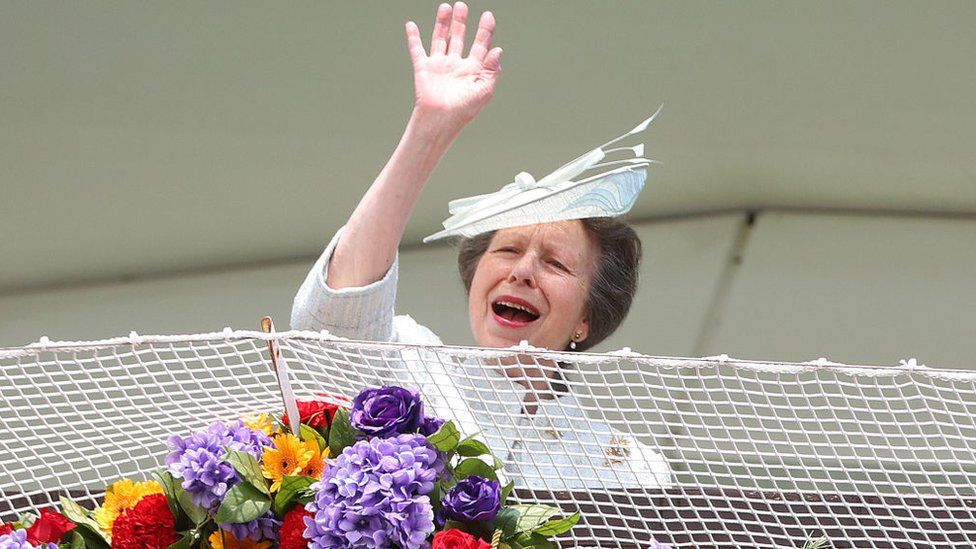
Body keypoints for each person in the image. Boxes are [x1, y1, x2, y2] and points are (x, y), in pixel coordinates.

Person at [291, 2, 671, 490]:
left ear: (586, 319)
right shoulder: (409, 368)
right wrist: (428, 132)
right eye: (507, 251)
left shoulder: (632, 469)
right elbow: (331, 319)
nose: (523, 271)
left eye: (555, 262)